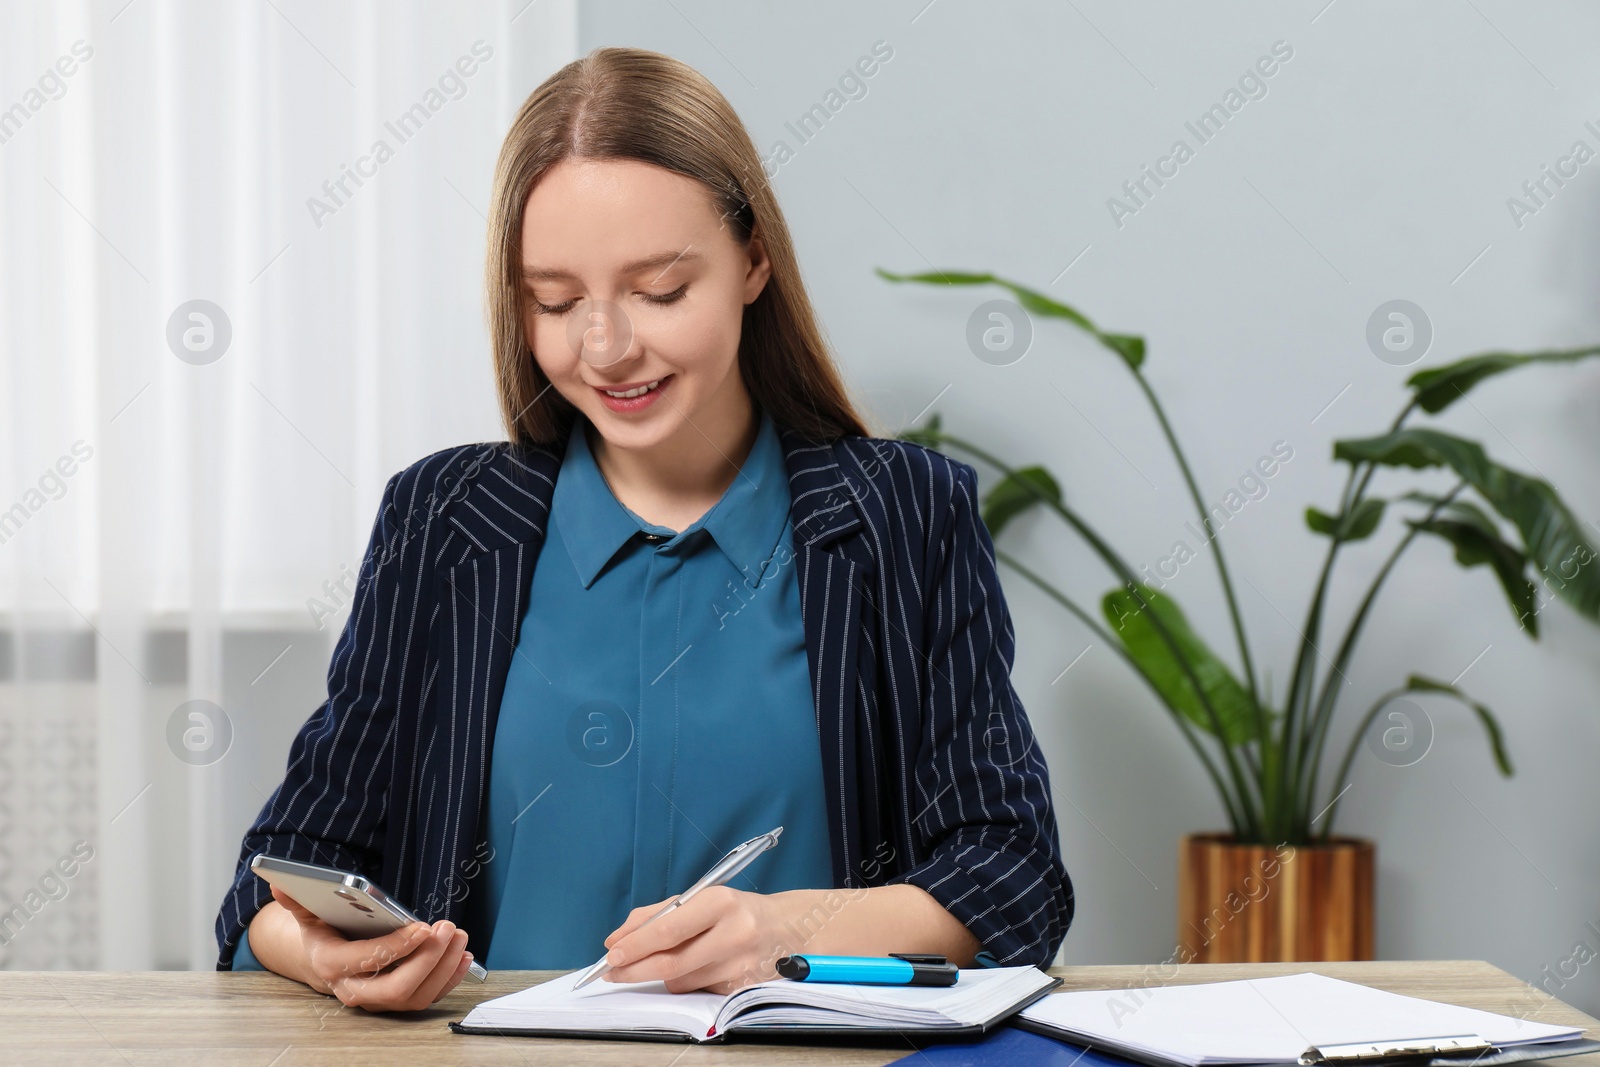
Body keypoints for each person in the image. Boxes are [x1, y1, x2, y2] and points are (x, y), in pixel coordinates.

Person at [214, 45, 1072, 1013]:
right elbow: (276, 878)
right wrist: (324, 953)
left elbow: (1011, 870)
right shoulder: (443, 522)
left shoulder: (904, 517)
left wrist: (784, 928)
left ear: (753, 260)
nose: (607, 347)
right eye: (555, 300)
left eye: (660, 291)